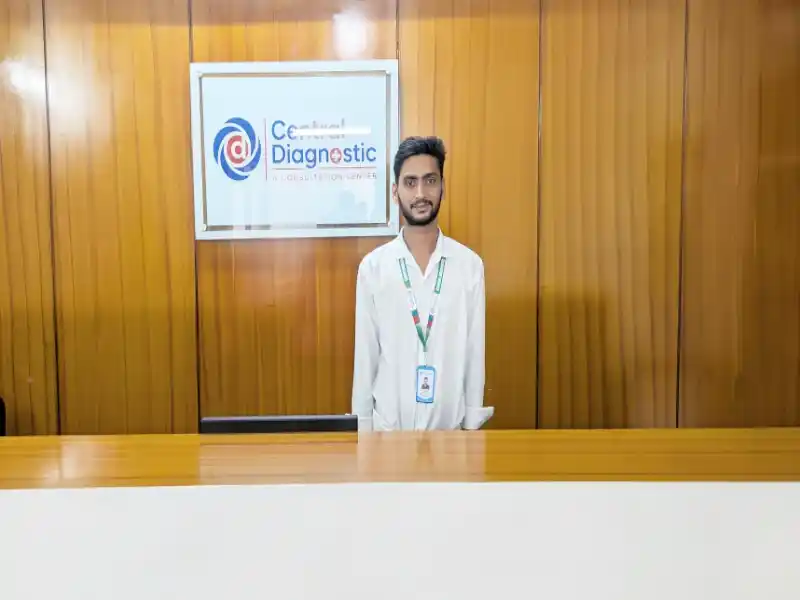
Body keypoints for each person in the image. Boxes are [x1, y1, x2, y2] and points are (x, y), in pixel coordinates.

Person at [351, 136, 494, 432]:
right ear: (395, 192)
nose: (420, 193)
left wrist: (472, 426)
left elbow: (474, 353)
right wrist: (362, 430)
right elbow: (365, 358)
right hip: (387, 436)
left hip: (450, 435)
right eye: (410, 182)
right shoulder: (373, 269)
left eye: (430, 181)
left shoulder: (469, 266)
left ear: (443, 187)